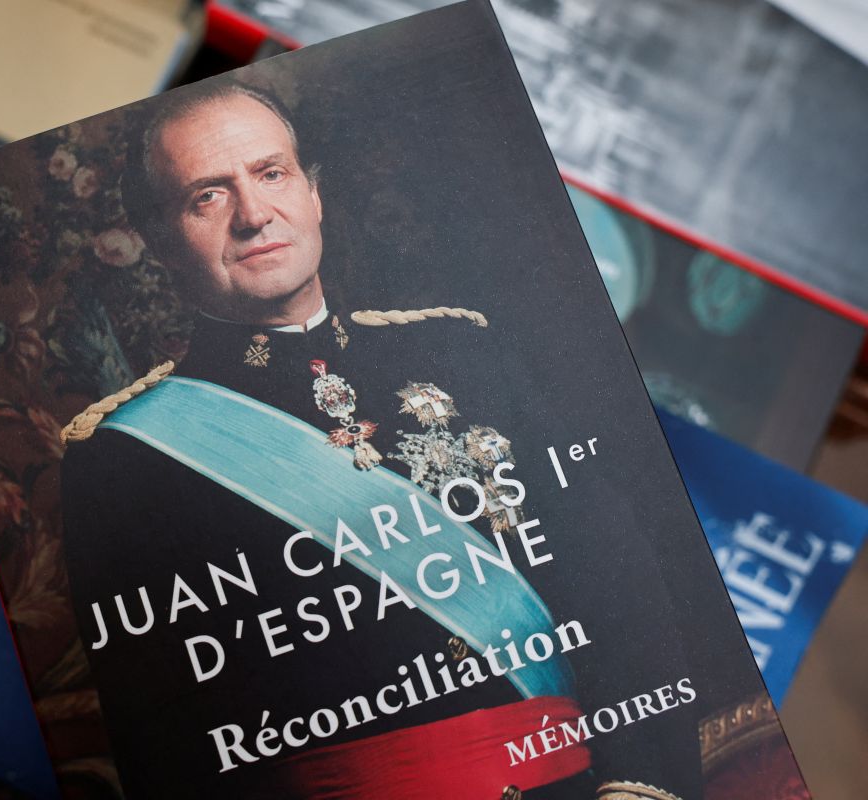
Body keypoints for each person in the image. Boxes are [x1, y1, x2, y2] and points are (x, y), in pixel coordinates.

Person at [59, 79, 712, 799]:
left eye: (271, 174)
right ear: (161, 242)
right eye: (207, 196)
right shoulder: (125, 458)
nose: (253, 214)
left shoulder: (467, 352)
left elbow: (616, 582)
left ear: (314, 194)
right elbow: (167, 743)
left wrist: (640, 785)